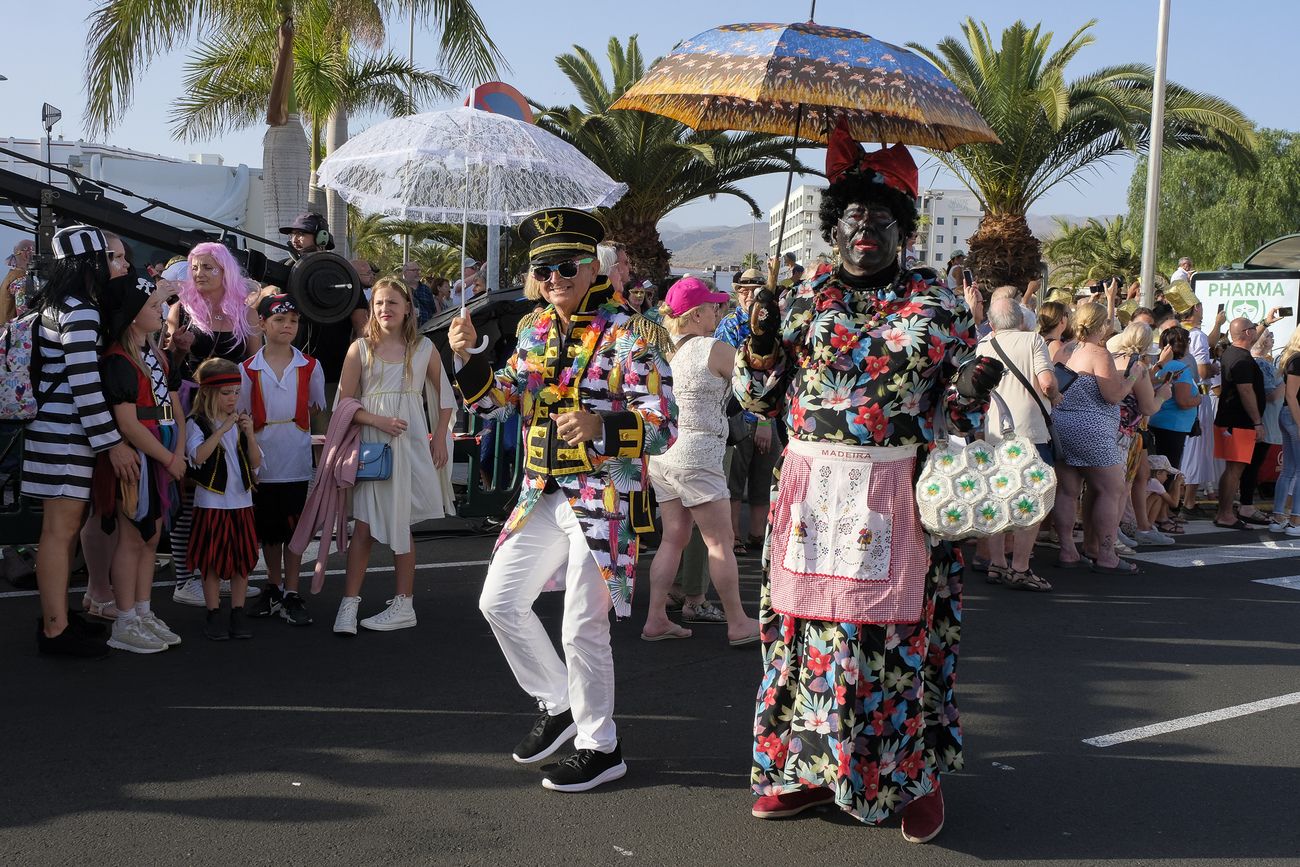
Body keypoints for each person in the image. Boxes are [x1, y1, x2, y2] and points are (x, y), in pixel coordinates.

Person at [739, 124, 1002, 843]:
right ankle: (801, 772)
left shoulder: (937, 307)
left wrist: (974, 386)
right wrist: (759, 343)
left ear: (903, 231)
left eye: (881, 220)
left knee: (890, 643)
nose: (865, 230)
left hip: (896, 499)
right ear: (833, 227)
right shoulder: (799, 299)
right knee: (807, 637)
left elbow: (954, 415)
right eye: (853, 218)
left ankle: (910, 778)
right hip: (810, 501)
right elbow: (759, 399)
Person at [449, 207, 676, 793]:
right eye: (542, 269)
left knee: (581, 626)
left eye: (565, 266)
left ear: (591, 266)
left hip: (604, 497)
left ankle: (602, 746)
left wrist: (602, 425)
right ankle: (559, 702)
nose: (553, 278)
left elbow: (665, 424)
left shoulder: (629, 332)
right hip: (541, 492)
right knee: (498, 601)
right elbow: (496, 400)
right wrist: (471, 357)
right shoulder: (532, 330)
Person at [23, 225, 137, 657]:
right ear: (93, 262)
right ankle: (55, 630)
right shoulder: (82, 311)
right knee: (59, 531)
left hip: (53, 430)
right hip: (67, 434)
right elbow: (84, 385)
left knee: (60, 531)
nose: (122, 265)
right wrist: (112, 443)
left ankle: (59, 619)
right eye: (114, 258)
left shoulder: (56, 304)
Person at [641, 277, 761, 646]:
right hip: (700, 453)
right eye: (712, 306)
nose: (717, 310)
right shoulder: (713, 348)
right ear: (695, 315)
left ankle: (656, 618)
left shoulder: (661, 350)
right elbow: (753, 389)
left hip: (662, 453)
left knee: (672, 539)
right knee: (719, 541)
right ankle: (739, 622)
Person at [332, 277, 452, 634]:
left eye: (393, 303)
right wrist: (376, 419)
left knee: (402, 522)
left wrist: (441, 438)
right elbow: (344, 404)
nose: (385, 309)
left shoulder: (424, 347)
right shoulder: (359, 349)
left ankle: (404, 604)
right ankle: (348, 604)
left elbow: (445, 397)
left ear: (407, 309)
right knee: (365, 526)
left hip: (411, 443)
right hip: (373, 447)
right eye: (380, 303)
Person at [166, 242, 262, 608]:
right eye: (194, 267)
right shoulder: (181, 309)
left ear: (226, 270)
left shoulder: (245, 313)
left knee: (228, 490)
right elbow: (168, 366)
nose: (199, 274)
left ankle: (222, 572)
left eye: (208, 267)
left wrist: (249, 416)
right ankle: (184, 578)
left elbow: (253, 367)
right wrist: (177, 347)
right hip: (192, 408)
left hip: (230, 408)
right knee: (190, 493)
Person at [97, 270, 186, 653]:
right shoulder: (119, 361)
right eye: (152, 306)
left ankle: (144, 611)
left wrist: (177, 453)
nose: (161, 310)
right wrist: (169, 456)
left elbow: (176, 410)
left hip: (162, 456)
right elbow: (129, 424)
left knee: (151, 538)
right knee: (132, 537)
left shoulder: (156, 356)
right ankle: (125, 620)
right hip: (141, 457)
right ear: (133, 314)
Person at [239, 294, 326, 625]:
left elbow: (316, 407)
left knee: (295, 529)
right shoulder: (247, 369)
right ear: (262, 324)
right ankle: (273, 585)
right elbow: (243, 413)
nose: (287, 326)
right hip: (263, 460)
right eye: (278, 320)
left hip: (296, 460)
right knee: (269, 531)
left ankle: (292, 590)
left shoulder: (310, 366)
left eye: (293, 321)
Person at [974, 293, 1056, 590]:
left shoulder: (983, 345)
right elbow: (1046, 382)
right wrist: (1055, 396)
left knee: (997, 498)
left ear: (992, 324)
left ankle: (996, 563)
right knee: (1032, 499)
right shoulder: (1033, 341)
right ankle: (1020, 567)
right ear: (1021, 320)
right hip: (1029, 433)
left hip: (994, 432)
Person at [1050, 302, 1138, 573]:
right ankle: (1107, 553)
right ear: (1101, 326)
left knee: (1067, 490)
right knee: (1112, 489)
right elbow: (1112, 395)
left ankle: (1068, 549)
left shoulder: (1063, 350)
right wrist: (1132, 377)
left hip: (1062, 424)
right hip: (1093, 429)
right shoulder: (1099, 353)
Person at [186, 358, 262, 640]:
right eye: (225, 393)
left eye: (236, 392)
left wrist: (250, 434)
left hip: (241, 502)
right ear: (208, 393)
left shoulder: (242, 423)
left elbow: (256, 466)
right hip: (211, 504)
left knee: (242, 560)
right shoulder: (198, 423)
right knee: (212, 562)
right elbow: (197, 456)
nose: (232, 399)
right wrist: (221, 430)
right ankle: (213, 612)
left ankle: (238, 612)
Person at [715, 268, 779, 552]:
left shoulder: (773, 322)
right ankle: (734, 537)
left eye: (755, 288)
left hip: (770, 413)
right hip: (737, 411)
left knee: (764, 477)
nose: (750, 294)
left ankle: (757, 536)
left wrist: (765, 420)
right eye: (743, 289)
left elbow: (778, 371)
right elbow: (731, 372)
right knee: (734, 481)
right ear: (736, 291)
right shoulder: (730, 324)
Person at [1109, 321, 1175, 547]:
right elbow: (1149, 407)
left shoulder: (1112, 358)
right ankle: (1112, 535)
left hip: (1107, 427)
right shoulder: (1138, 366)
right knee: (1120, 488)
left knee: (1106, 488)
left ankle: (1112, 533)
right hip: (1126, 432)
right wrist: (1163, 395)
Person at [1213, 318, 1267, 529]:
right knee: (1235, 469)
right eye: (1254, 328)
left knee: (1233, 469)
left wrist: (1266, 323)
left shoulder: (1233, 351)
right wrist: (1257, 422)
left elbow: (1247, 340)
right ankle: (1225, 514)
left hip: (1232, 420)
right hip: (1239, 421)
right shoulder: (1242, 359)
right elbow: (1245, 391)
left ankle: (1224, 513)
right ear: (1247, 332)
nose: (1256, 331)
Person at [1146, 325, 1202, 521]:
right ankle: (1163, 515)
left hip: (1160, 422)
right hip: (1173, 426)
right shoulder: (1181, 368)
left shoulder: (1162, 367)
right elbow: (1184, 401)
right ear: (1184, 345)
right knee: (1168, 472)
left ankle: (1157, 513)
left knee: (1159, 470)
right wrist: (1199, 399)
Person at [1236, 327, 1284, 525]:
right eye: (1270, 335)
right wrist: (1287, 382)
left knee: (1252, 464)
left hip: (1265, 420)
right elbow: (1270, 395)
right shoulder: (1261, 364)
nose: (1273, 338)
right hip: (1265, 420)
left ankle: (1245, 503)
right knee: (1252, 464)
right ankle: (1246, 505)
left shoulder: (1263, 362)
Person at [1272, 330, 1300, 534]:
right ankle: (1295, 520)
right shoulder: (1297, 360)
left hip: (1288, 415)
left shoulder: (1290, 358)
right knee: (1296, 471)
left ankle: (1279, 516)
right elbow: (1291, 395)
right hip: (1293, 415)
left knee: (1289, 470)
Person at [1145, 454, 1185, 530]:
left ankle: (1149, 525)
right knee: (1158, 498)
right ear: (1158, 473)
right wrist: (1177, 484)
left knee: (1159, 496)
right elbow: (1174, 504)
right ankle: (1147, 526)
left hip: (1132, 519)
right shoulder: (1154, 482)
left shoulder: (1146, 480)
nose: (1167, 478)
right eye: (1166, 474)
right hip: (1135, 520)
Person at [2, 238, 34, 324]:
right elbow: (24, 319)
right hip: (13, 335)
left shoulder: (11, 276)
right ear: (26, 254)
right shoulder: (21, 281)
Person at [400, 261, 438, 326]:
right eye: (414, 270)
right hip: (407, 329)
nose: (417, 272)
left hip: (426, 329)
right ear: (405, 273)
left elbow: (433, 311)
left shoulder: (426, 289)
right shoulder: (400, 288)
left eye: (418, 270)